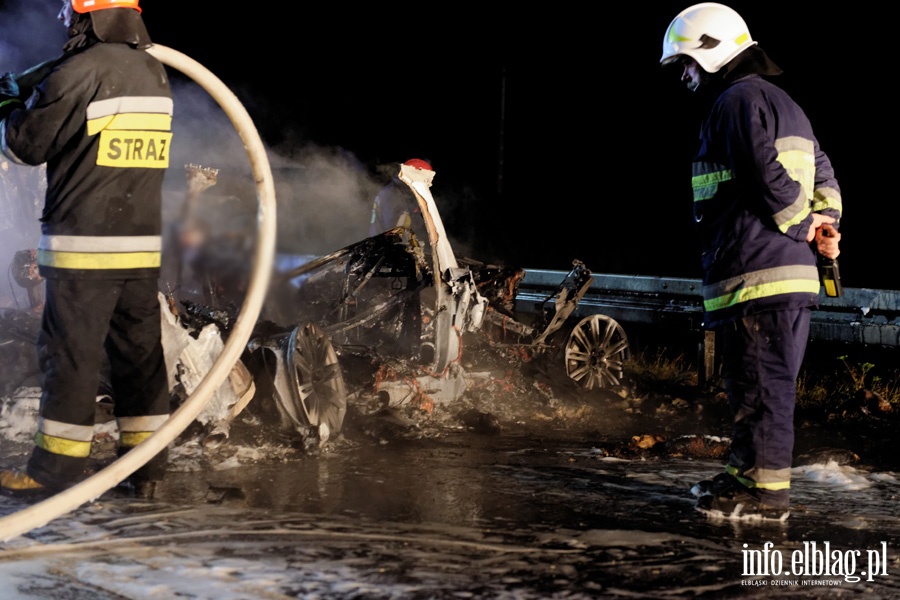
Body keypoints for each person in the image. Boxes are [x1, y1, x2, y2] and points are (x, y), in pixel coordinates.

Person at [659, 3, 842, 519]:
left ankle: (764, 498)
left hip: (757, 274)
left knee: (762, 389)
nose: (687, 76)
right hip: (781, 275)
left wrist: (804, 225)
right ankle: (745, 477)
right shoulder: (788, 105)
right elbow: (823, 172)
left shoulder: (736, 100)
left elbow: (762, 173)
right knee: (755, 386)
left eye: (688, 64)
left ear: (712, 52)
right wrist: (825, 225)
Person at [0, 0, 173, 498]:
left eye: (71, 15)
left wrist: (8, 103)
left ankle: (52, 474)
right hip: (139, 251)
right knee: (140, 361)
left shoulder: (80, 70)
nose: (66, 23)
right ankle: (146, 473)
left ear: (87, 16)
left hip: (83, 250)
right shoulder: (153, 72)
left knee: (70, 359)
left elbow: (23, 147)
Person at [369, 158, 434, 241]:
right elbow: (394, 228)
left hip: (388, 244)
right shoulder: (392, 194)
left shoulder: (403, 192)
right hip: (382, 246)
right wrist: (421, 216)